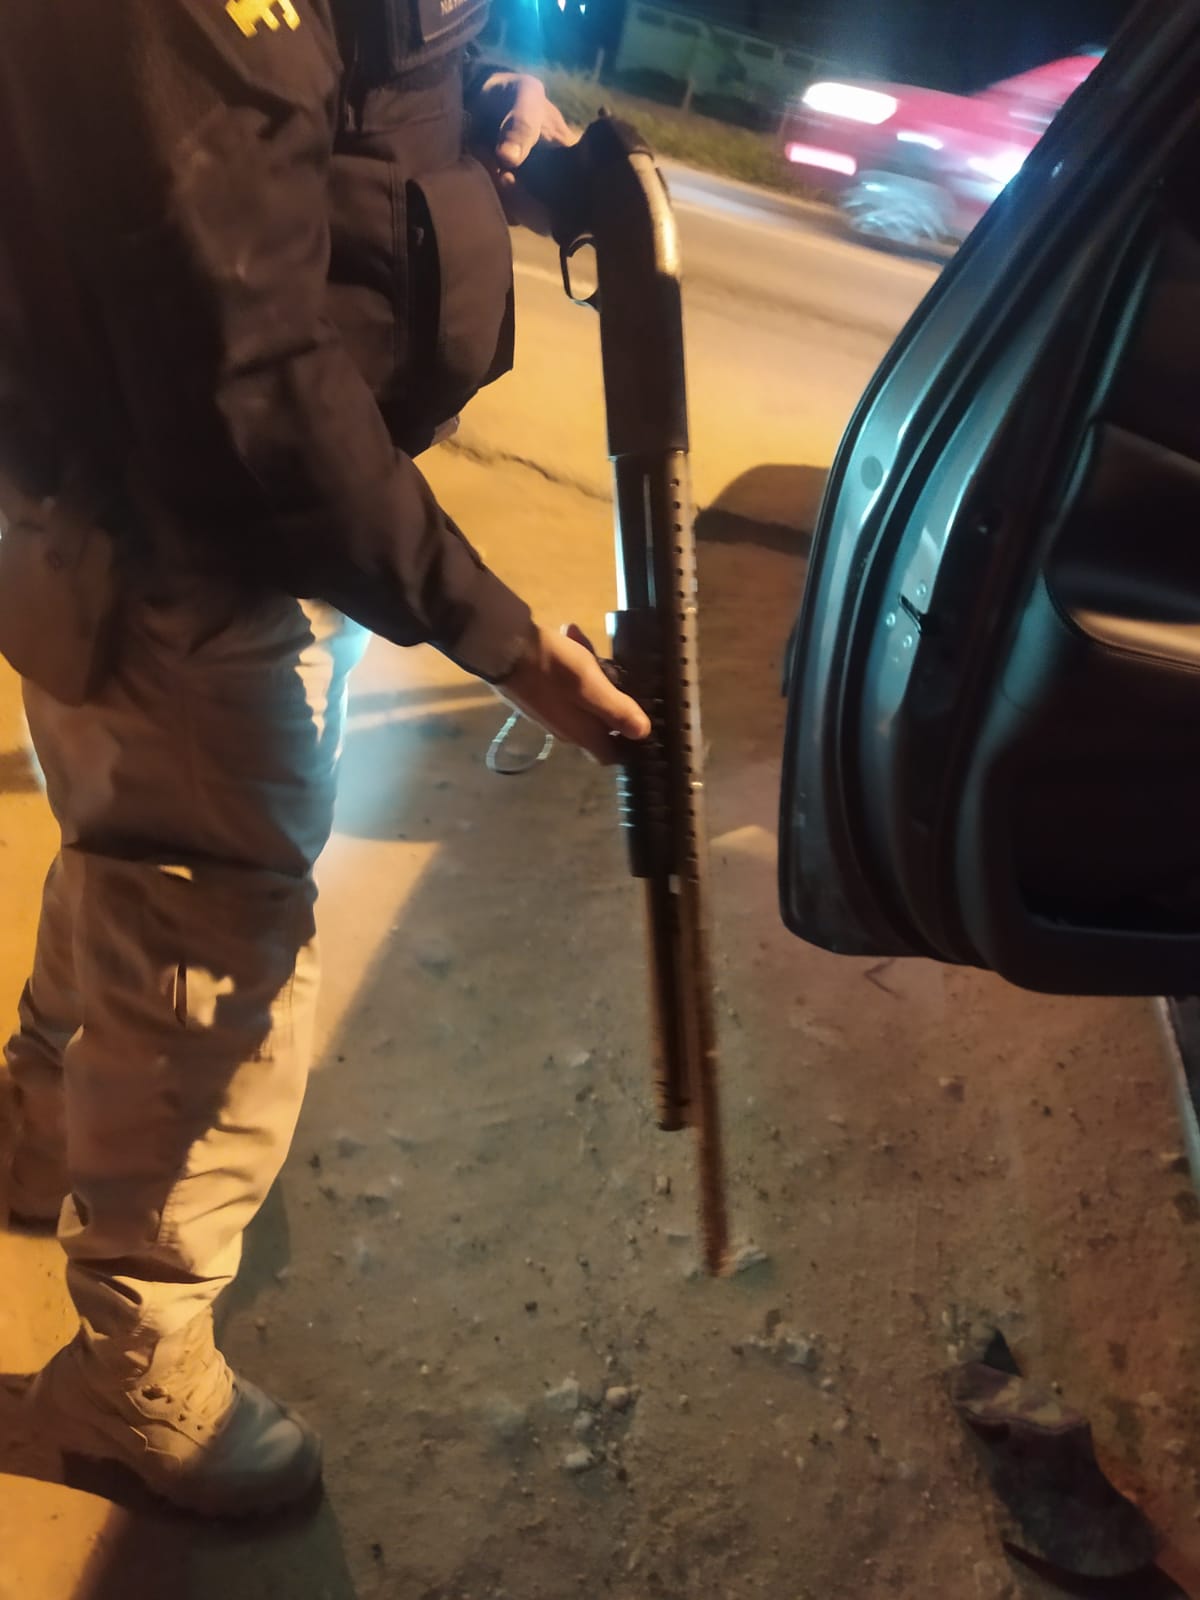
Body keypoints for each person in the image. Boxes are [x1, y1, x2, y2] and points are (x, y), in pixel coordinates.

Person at [0, 0, 650, 1517]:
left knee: (140, 859)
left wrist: (496, 117)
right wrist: (496, 635)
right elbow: (254, 379)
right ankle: (134, 1374)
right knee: (210, 934)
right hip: (186, 541)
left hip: (256, 533)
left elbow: (371, 83)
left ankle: (38, 1137)